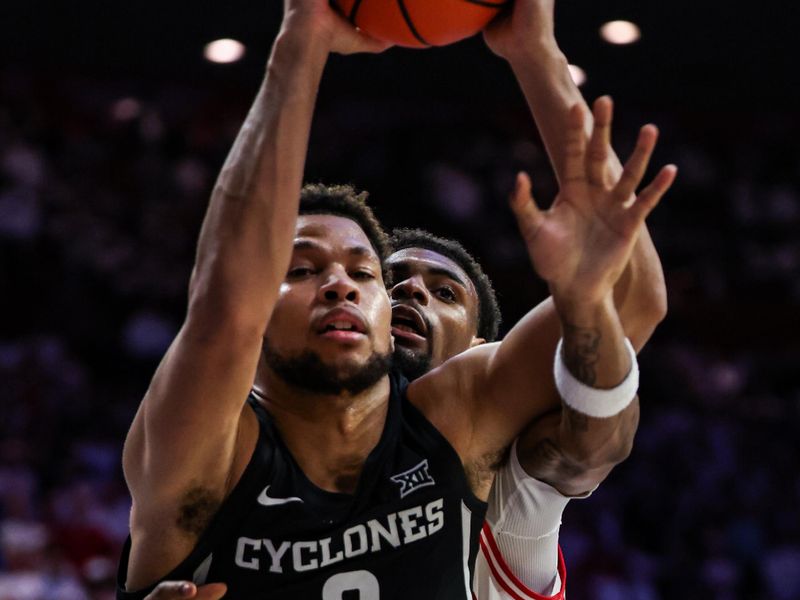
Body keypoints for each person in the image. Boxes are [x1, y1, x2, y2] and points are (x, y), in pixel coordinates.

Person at [118, 0, 676, 598]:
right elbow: (222, 313)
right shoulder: (210, 455)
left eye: (364, 272)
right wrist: (300, 43)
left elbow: (631, 307)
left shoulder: (456, 418)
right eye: (301, 269)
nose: (340, 284)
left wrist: (535, 50)